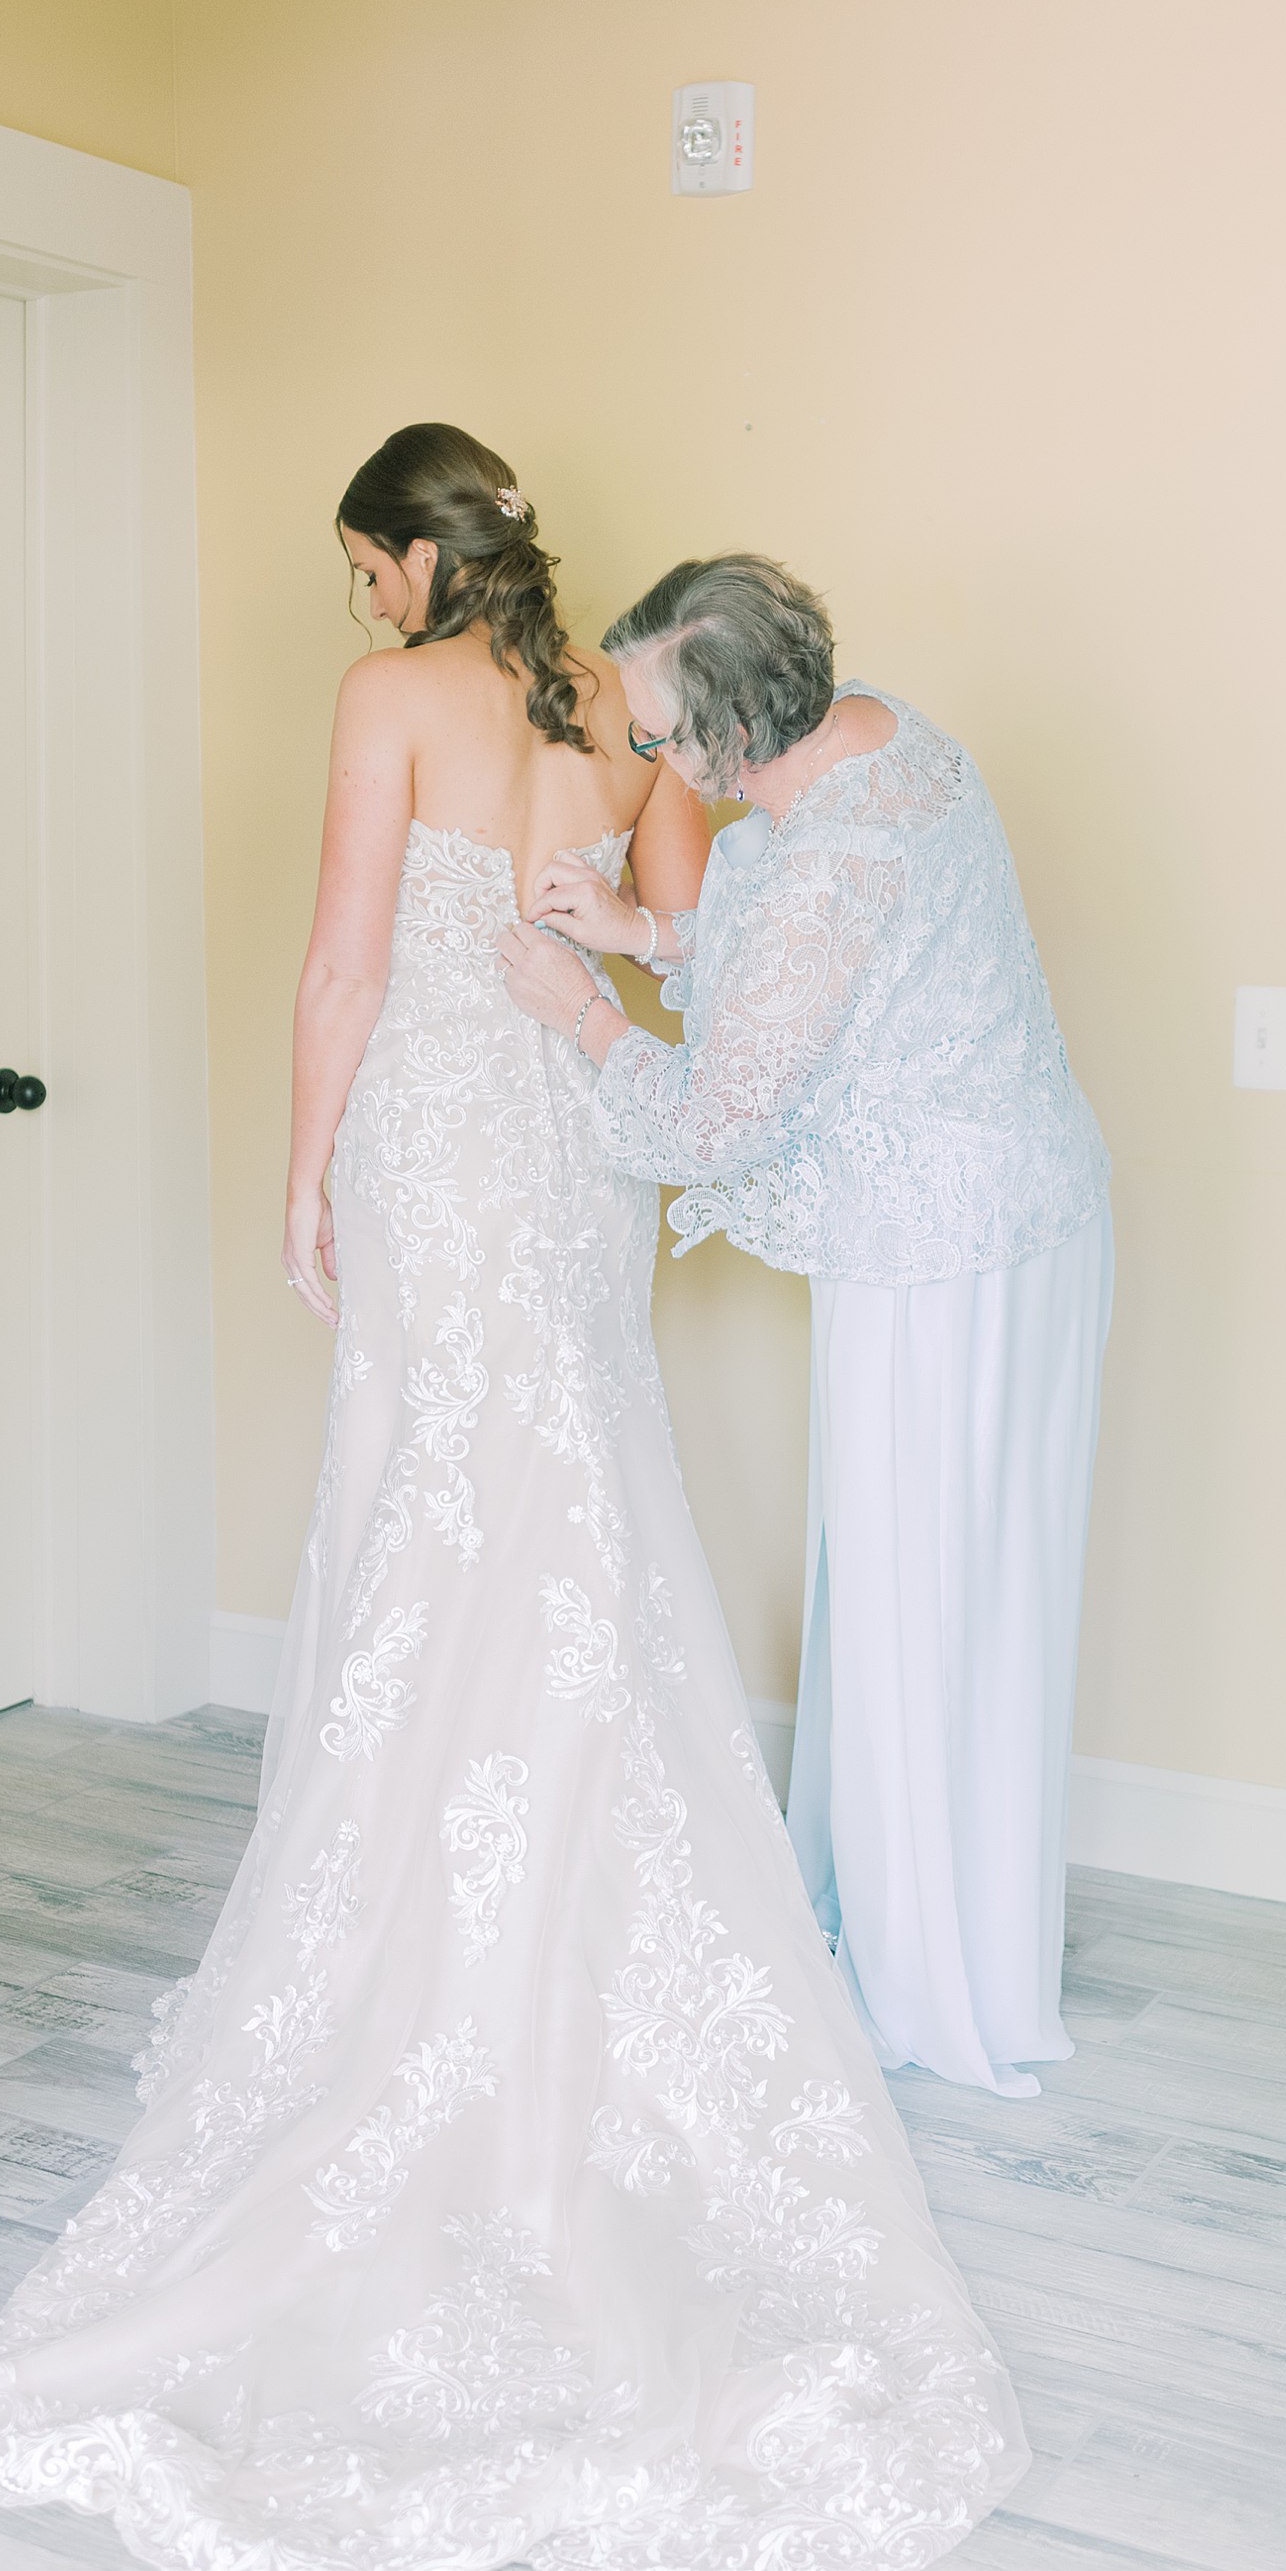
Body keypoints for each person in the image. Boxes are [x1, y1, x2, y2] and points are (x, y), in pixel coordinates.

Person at [0, 431, 1028, 2571]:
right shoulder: (619, 709)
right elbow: (686, 925)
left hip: (436, 1137)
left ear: (419, 556)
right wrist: (591, 950)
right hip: (574, 1142)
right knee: (573, 1493)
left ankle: (421, 1913)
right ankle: (567, 1888)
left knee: (439, 1503)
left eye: (362, 566)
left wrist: (302, 1174)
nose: (360, 604)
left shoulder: (390, 704)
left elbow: (336, 973)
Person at [502, 554, 1111, 2102]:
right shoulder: (883, 735)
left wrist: (580, 1006)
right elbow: (825, 973)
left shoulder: (830, 853)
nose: (646, 760)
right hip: (1029, 1213)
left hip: (939, 1259)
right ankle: (952, 1927)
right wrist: (649, 928)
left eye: (655, 739)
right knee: (969, 1590)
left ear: (724, 737)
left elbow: (718, 1118)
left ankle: (927, 1980)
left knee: (916, 1591)